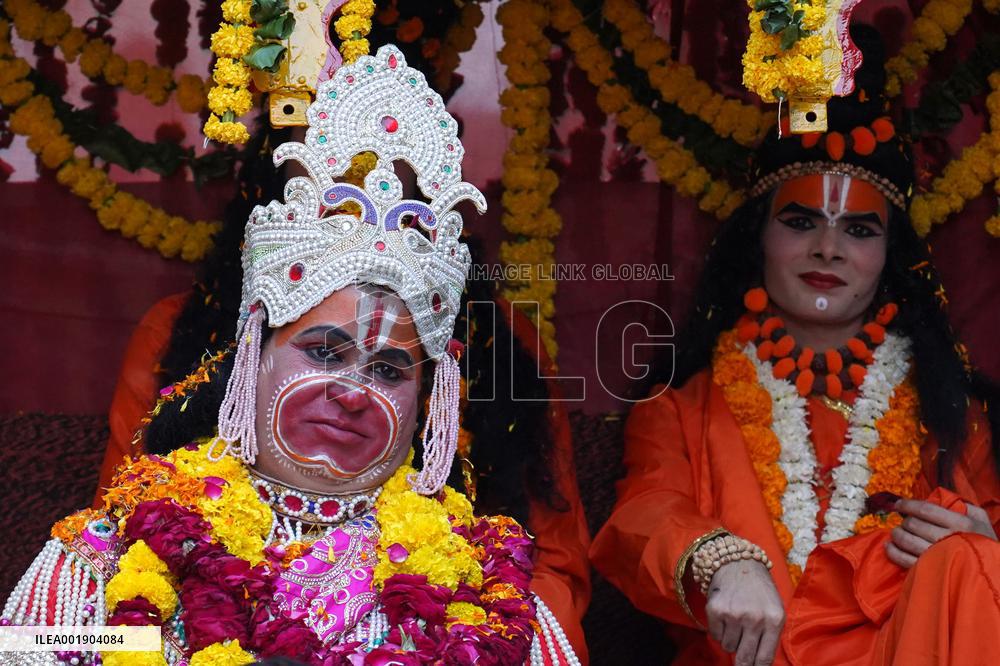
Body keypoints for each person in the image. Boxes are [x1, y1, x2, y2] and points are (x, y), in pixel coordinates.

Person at [2, 45, 581, 666]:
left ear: (425, 405)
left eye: (389, 369)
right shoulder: (113, 553)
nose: (354, 391)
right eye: (324, 352)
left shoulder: (489, 599)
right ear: (254, 354)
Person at [590, 25, 1000, 666]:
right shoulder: (682, 401)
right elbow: (645, 513)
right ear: (759, 238)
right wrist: (717, 559)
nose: (828, 248)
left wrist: (987, 544)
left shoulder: (947, 409)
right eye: (802, 220)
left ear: (889, 256)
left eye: (859, 228)